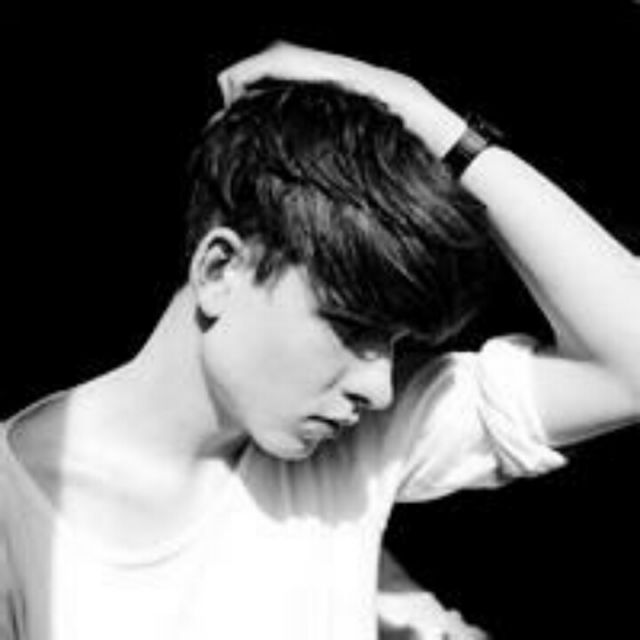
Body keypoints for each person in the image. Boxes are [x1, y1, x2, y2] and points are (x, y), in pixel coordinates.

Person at [1, 41, 639, 640]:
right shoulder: (17, 521)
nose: (379, 388)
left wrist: (427, 116)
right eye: (351, 328)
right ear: (220, 270)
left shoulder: (359, 442)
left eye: (394, 341)